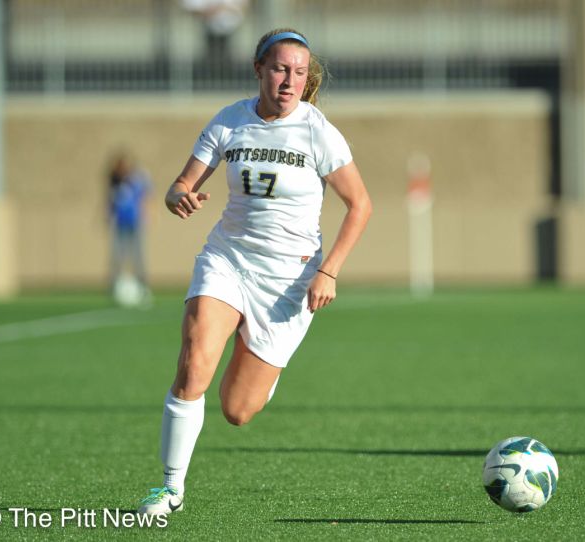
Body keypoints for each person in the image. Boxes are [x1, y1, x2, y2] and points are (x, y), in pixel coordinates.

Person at [137, 28, 372, 516]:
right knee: (195, 361)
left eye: (300, 73)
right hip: (228, 258)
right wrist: (178, 195)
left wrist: (328, 272)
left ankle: (262, 373)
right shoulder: (229, 121)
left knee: (238, 410)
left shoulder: (318, 131)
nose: (290, 81)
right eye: (281, 69)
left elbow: (361, 205)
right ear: (259, 69)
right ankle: (170, 488)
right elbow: (180, 184)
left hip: (288, 281)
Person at [106, 152, 152, 306]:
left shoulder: (137, 179)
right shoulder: (114, 181)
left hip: (135, 222)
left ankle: (143, 286)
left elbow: (146, 195)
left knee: (138, 256)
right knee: (118, 256)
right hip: (120, 223)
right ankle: (115, 286)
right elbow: (110, 201)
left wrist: (147, 214)